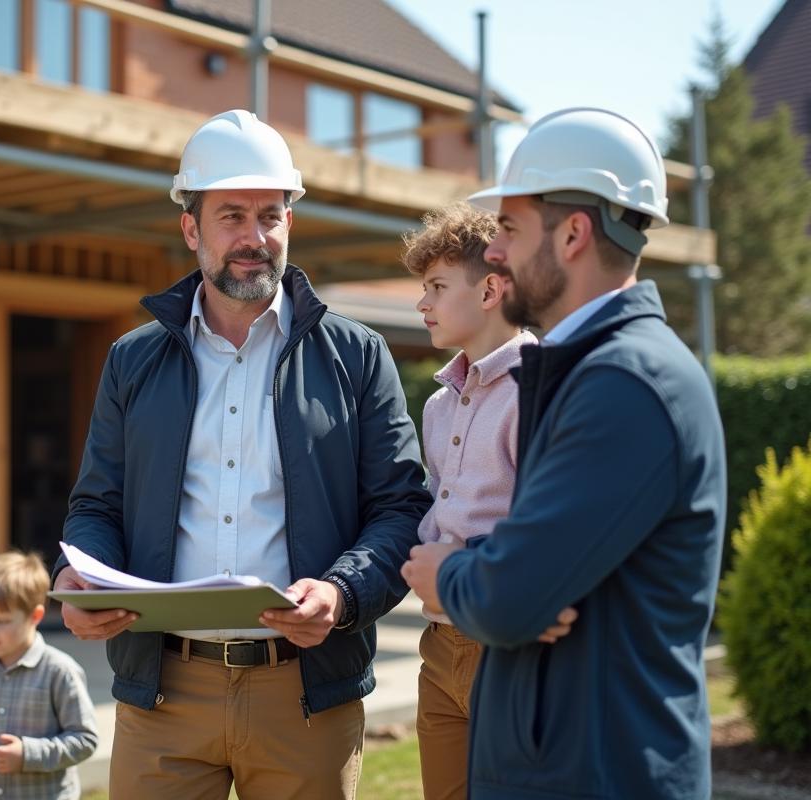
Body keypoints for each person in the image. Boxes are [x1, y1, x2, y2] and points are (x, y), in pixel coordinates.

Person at [53, 109, 433, 800]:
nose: (254, 237)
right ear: (191, 227)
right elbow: (96, 507)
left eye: (270, 215)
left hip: (306, 695)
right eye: (231, 215)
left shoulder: (357, 355)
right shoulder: (132, 360)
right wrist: (78, 578)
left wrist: (343, 590)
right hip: (162, 696)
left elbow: (402, 508)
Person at [403, 107, 727, 800]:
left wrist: (449, 574)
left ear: (574, 234)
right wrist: (494, 579)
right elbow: (520, 580)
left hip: (598, 774)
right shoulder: (590, 372)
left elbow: (513, 594)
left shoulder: (624, 384)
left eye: (511, 230)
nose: (495, 253)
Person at [402, 202, 537, 800]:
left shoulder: (538, 390)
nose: (422, 303)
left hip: (508, 647)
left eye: (435, 286)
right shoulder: (438, 406)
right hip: (439, 646)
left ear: (489, 289)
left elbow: (545, 534)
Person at [0, 551, 99, 800]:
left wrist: (28, 754)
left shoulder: (59, 671)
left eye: (2, 620)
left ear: (35, 616)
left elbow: (85, 739)